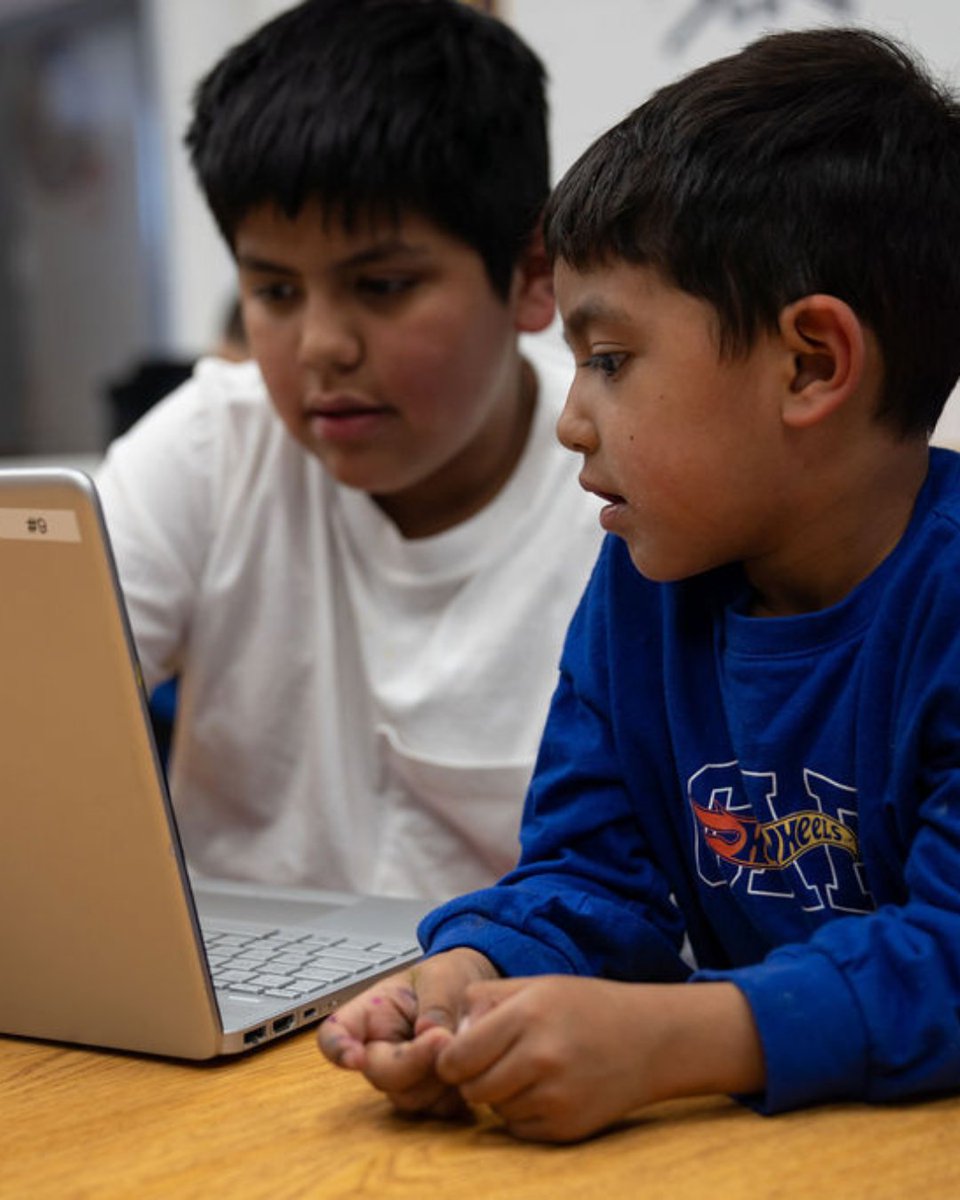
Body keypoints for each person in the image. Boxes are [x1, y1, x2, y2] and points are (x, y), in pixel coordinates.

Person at [318, 27, 960, 1143]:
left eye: (609, 360)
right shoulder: (645, 588)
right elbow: (590, 878)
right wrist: (464, 983)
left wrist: (671, 1039)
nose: (572, 420)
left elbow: (950, 955)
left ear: (810, 363)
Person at [94, 0, 602, 899]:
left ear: (532, 277)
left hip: (509, 1014)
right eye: (276, 290)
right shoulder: (215, 442)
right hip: (235, 1015)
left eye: (383, 284)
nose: (322, 345)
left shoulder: (626, 485)